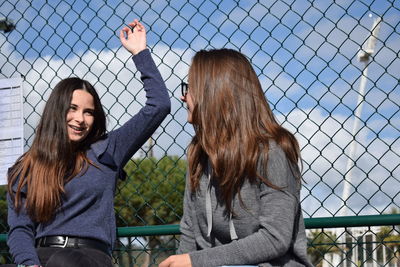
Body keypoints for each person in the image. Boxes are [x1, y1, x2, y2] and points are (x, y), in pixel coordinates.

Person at [6, 19, 170, 267]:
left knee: (64, 262)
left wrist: (140, 53)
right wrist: (29, 264)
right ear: (57, 111)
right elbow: (20, 230)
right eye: (72, 109)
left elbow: (159, 105)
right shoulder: (26, 166)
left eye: (89, 112)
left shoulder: (108, 149)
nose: (80, 119)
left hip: (89, 259)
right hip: (41, 259)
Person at [159, 49, 313, 267]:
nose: (183, 96)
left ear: (213, 93)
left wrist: (195, 261)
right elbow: (190, 232)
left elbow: (275, 239)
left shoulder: (273, 151)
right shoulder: (199, 154)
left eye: (190, 88)